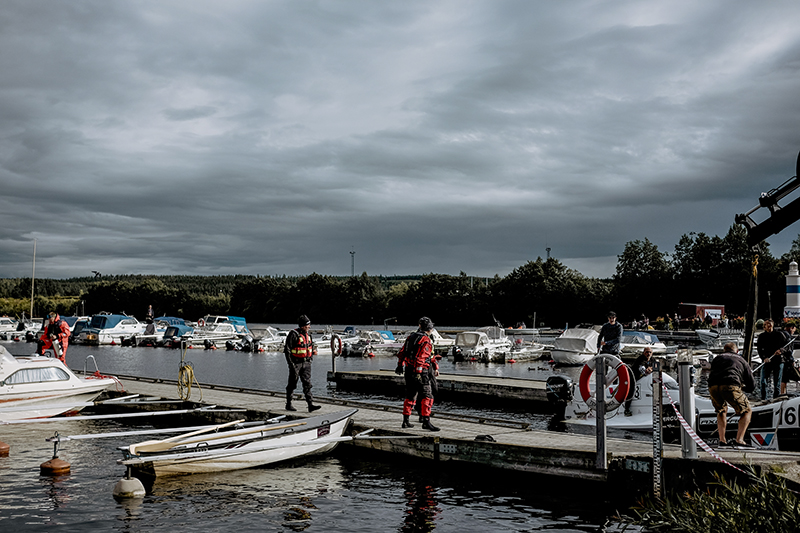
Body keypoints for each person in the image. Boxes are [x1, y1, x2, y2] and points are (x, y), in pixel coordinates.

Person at [395, 316, 439, 431]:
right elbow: (421, 357)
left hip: (408, 370)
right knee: (427, 396)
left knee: (410, 395)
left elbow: (402, 353)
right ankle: (426, 421)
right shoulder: (425, 340)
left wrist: (400, 365)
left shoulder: (410, 337)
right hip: (420, 371)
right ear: (430, 328)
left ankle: (405, 421)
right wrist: (419, 372)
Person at [707, 342, 755, 447]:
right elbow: (752, 385)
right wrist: (743, 388)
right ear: (737, 351)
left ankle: (722, 440)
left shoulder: (717, 358)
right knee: (747, 411)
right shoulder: (741, 360)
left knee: (721, 410)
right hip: (730, 385)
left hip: (713, 386)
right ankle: (740, 440)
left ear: (724, 350)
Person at [283, 315, 320, 412]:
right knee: (292, 384)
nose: (309, 326)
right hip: (296, 364)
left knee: (307, 384)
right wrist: (291, 364)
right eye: (308, 325)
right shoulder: (293, 334)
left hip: (306, 363)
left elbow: (311, 348)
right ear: (303, 325)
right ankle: (288, 404)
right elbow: (287, 350)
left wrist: (310, 359)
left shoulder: (308, 335)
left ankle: (310, 405)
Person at [757, 319, 786, 401]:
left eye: (769, 324)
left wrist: (781, 351)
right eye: (766, 324)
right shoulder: (762, 336)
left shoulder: (779, 334)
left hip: (778, 360)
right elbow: (759, 349)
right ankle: (764, 399)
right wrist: (763, 358)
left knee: (777, 382)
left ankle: (776, 399)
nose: (768, 326)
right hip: (767, 361)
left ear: (772, 325)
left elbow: (787, 346)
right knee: (763, 381)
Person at [623, 347, 654, 416]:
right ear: (644, 353)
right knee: (631, 391)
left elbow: (656, 366)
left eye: (650, 352)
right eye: (646, 352)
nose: (648, 354)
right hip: (633, 376)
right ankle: (626, 409)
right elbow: (643, 369)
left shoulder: (652, 359)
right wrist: (648, 370)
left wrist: (651, 368)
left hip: (641, 377)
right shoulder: (640, 359)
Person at [781, 323, 798, 395]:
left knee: (784, 378)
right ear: (791, 328)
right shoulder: (787, 336)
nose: (793, 332)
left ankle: (782, 393)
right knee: (797, 376)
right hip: (787, 360)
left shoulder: (781, 334)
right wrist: (792, 360)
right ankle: (783, 393)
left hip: (782, 360)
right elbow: (788, 349)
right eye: (794, 330)